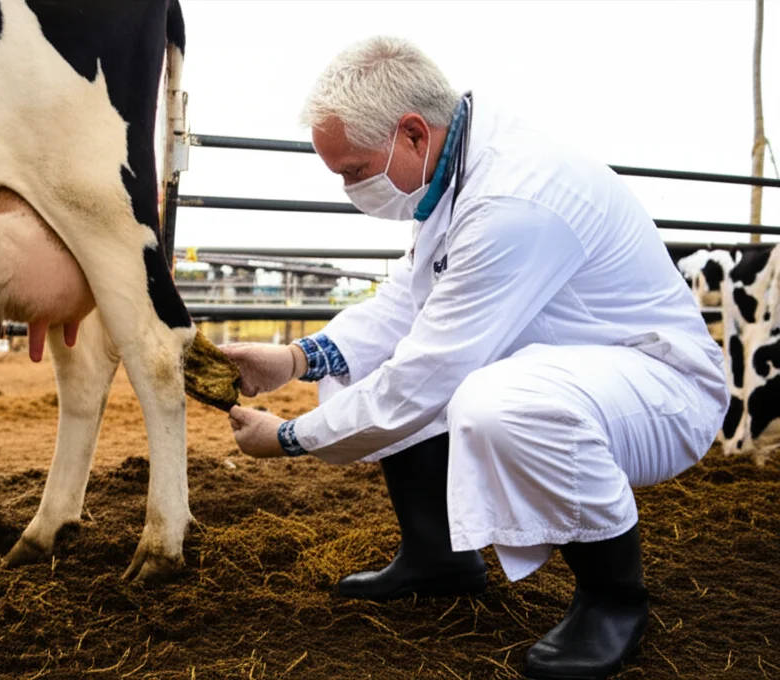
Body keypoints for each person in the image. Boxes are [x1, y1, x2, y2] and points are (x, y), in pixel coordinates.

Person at [222, 36, 728, 680]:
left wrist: (290, 438)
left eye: (352, 170)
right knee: (394, 371)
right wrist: (294, 359)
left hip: (656, 388)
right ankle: (438, 556)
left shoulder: (512, 199)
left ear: (411, 133)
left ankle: (613, 599)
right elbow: (407, 303)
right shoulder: (453, 174)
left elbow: (431, 373)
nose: (350, 188)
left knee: (499, 405)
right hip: (569, 367)